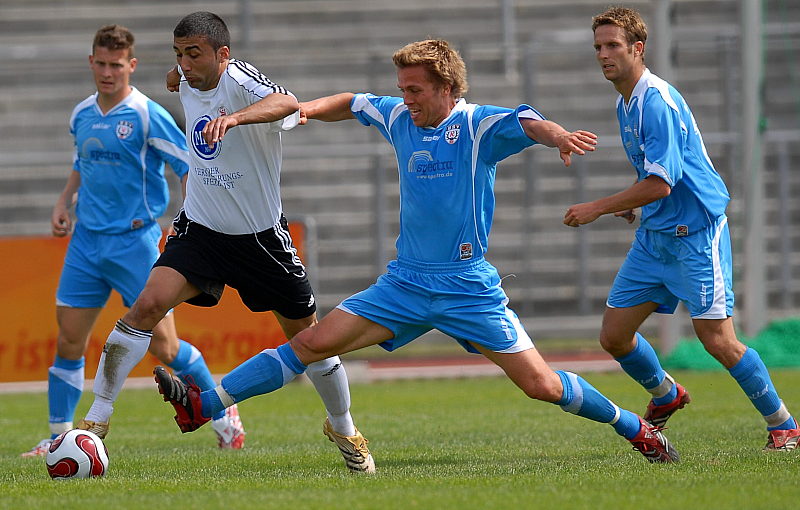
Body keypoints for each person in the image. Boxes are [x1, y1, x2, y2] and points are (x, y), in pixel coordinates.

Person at [155, 37, 683, 467]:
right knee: (310, 343)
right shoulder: (399, 118)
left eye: (415, 90)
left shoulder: (475, 126)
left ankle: (636, 428)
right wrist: (305, 111)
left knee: (541, 385)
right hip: (405, 283)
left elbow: (527, 122)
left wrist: (559, 135)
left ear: (447, 88)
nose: (405, 98)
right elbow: (353, 102)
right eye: (402, 88)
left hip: (467, 287)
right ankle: (204, 405)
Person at [81, 12, 374, 473]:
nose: (184, 64)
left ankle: (343, 425)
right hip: (201, 230)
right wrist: (178, 72)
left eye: (194, 54)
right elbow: (182, 74)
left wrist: (234, 118)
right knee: (146, 307)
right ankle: (96, 421)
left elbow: (286, 101)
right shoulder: (187, 75)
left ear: (223, 54)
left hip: (260, 239)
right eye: (178, 54)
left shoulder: (238, 79)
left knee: (312, 341)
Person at [563, 6, 799, 452]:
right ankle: (667, 394)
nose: (603, 54)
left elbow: (662, 182)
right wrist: (633, 207)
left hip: (696, 237)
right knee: (614, 336)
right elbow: (652, 177)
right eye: (598, 47)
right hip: (655, 239)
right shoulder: (625, 101)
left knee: (719, 341)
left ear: (638, 48)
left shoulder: (657, 101)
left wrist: (599, 207)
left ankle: (783, 424)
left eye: (613, 45)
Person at [21, 25, 246, 458]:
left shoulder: (146, 114)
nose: (108, 73)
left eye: (117, 65)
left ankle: (223, 415)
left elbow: (189, 165)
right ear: (91, 63)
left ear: (132, 65)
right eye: (102, 64)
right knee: (68, 341)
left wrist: (188, 218)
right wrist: (64, 201)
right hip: (86, 243)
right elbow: (81, 160)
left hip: (134, 243)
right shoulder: (82, 113)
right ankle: (58, 437)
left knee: (164, 346)